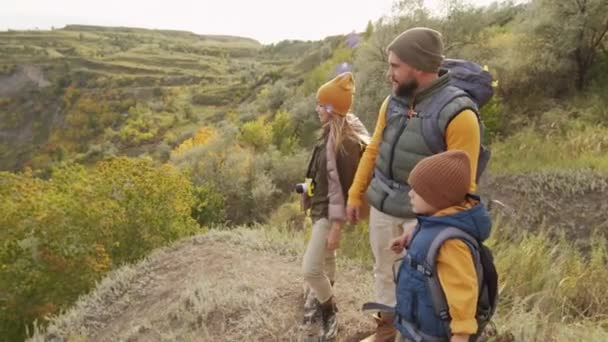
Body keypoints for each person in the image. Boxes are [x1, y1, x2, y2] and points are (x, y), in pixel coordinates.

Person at [347, 27, 482, 341]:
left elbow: (464, 186)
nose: (389, 74)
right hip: (382, 206)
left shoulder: (460, 115)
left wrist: (427, 226)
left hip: (421, 216)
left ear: (418, 66)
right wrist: (356, 194)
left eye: (395, 66)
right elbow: (374, 149)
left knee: (423, 286)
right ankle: (386, 332)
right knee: (384, 273)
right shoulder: (392, 102)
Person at [390, 150, 491, 342]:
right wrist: (409, 236)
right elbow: (429, 238)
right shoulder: (435, 220)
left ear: (437, 198)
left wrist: (461, 334)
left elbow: (463, 294)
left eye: (417, 190)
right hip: (414, 327)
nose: (410, 194)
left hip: (432, 335)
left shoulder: (452, 244)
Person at [300, 72, 370, 340]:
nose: (317, 109)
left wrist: (337, 227)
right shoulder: (328, 135)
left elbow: (345, 188)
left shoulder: (346, 144)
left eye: (321, 105)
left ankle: (329, 308)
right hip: (320, 207)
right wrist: (306, 188)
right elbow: (321, 175)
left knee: (310, 270)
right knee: (326, 259)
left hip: (329, 214)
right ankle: (319, 298)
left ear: (332, 109)